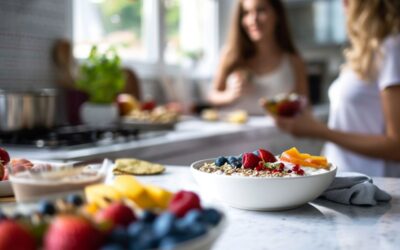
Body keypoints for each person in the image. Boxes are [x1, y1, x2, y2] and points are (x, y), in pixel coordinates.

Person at [271, 0, 400, 177]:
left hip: (372, 188)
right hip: (342, 180)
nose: (343, 2)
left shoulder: (393, 47)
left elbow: (396, 146)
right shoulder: (367, 51)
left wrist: (320, 130)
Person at [208, 0, 308, 115]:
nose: (253, 20)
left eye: (261, 10)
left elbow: (305, 108)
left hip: (277, 132)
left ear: (277, 14)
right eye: (246, 13)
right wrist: (230, 95)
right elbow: (212, 96)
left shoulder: (293, 61)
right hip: (231, 130)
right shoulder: (230, 54)